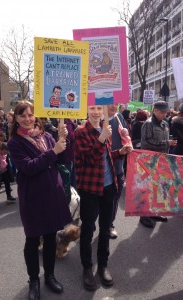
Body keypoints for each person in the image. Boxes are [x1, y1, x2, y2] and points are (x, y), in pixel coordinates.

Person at [8, 101, 72, 300]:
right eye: (22, 115)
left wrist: (64, 139)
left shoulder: (47, 137)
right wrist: (53, 152)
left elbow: (63, 160)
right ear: (16, 119)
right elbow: (28, 167)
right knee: (33, 239)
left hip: (53, 193)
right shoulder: (15, 143)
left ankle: (50, 276)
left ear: (35, 116)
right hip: (33, 197)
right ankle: (34, 280)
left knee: (51, 237)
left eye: (30, 115)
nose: (27, 119)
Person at [74, 105, 132, 291]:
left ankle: (103, 265)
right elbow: (88, 159)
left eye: (99, 108)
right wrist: (101, 139)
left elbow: (104, 158)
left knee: (106, 227)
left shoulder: (105, 127)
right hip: (90, 188)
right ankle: (87, 268)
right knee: (88, 228)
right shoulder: (81, 131)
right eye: (92, 108)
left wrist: (119, 152)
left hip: (109, 187)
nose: (96, 111)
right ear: (87, 110)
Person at [140, 101, 177, 228]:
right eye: (161, 112)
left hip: (162, 160)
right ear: (155, 110)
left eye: (165, 112)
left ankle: (154, 212)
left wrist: (169, 143)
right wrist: (167, 143)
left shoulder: (165, 124)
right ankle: (144, 216)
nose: (163, 115)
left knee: (158, 188)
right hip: (150, 161)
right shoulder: (148, 124)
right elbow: (146, 142)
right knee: (148, 188)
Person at [107, 104, 130, 239]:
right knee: (98, 202)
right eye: (111, 103)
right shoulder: (97, 118)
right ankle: (89, 224)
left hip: (118, 167)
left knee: (114, 199)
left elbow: (125, 138)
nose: (114, 106)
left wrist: (127, 136)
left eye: (116, 103)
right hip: (101, 171)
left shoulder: (119, 117)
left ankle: (110, 225)